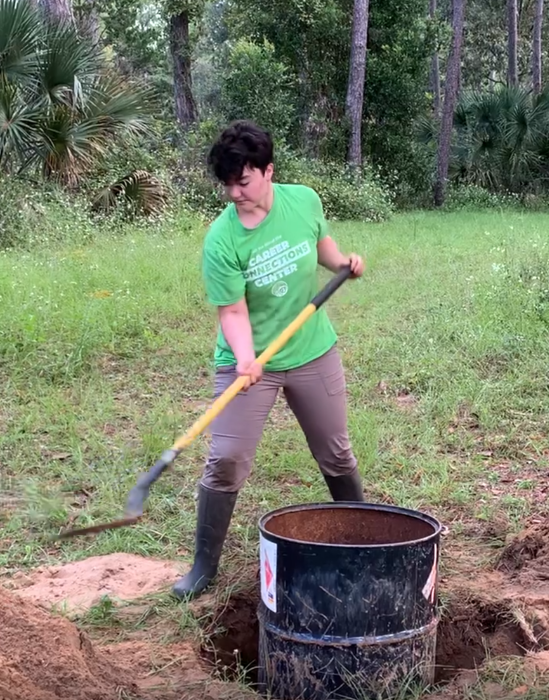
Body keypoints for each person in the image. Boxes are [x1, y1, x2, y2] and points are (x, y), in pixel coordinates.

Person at [171, 120, 366, 600]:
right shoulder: (222, 239)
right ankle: (203, 566)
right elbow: (232, 310)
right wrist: (245, 358)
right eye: (227, 184)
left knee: (336, 451)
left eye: (244, 181)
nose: (234, 193)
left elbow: (320, 247)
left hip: (311, 350)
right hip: (247, 359)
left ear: (268, 171)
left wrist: (342, 264)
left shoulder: (303, 201)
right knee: (227, 459)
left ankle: (362, 541)